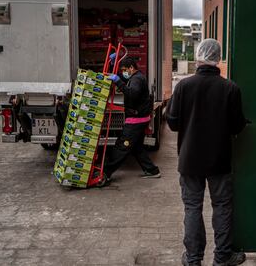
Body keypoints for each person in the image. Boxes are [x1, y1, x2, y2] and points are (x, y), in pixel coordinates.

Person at [166, 39, 247, 266]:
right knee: (221, 206)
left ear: (199, 57)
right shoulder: (231, 88)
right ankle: (222, 258)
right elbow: (237, 126)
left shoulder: (183, 86)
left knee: (193, 207)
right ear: (218, 58)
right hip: (219, 159)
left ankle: (193, 259)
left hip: (190, 159)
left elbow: (172, 123)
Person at [101, 57, 160, 186]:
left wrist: (117, 81)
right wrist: (112, 68)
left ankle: (105, 172)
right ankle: (152, 171)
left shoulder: (137, 79)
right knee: (136, 147)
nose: (123, 73)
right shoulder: (134, 78)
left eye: (124, 70)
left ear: (131, 68)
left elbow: (132, 93)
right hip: (139, 118)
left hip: (136, 120)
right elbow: (125, 82)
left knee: (122, 146)